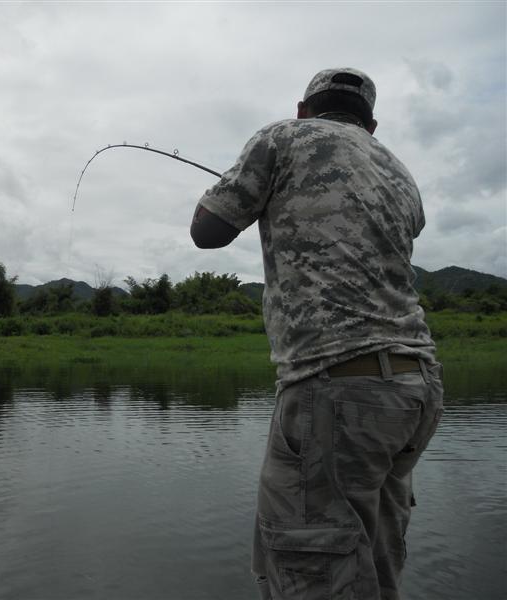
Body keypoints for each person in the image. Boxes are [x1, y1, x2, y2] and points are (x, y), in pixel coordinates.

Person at [190, 68, 444, 600]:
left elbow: (206, 233)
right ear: (370, 124)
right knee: (376, 560)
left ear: (303, 109)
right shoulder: (400, 172)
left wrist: (253, 189)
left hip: (336, 388)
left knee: (310, 571)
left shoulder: (282, 136)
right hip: (416, 390)